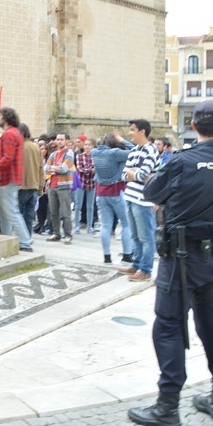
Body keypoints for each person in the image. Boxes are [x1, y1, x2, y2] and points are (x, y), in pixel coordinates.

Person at [127, 100, 213, 425]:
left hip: (182, 258)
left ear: (193, 125)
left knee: (169, 326)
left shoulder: (181, 161)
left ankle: (167, 406)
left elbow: (151, 192)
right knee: (210, 323)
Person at [119, 119, 159, 282]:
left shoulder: (151, 150)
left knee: (146, 236)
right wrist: (135, 173)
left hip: (143, 200)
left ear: (142, 131)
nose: (129, 133)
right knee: (135, 236)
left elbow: (142, 175)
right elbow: (123, 175)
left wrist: (133, 173)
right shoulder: (134, 150)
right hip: (129, 197)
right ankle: (136, 264)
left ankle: (146, 269)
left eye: (132, 130)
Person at [0, 108, 33, 252]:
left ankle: (25, 243)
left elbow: (7, 158)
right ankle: (7, 240)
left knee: (11, 212)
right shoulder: (15, 133)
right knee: (5, 214)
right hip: (11, 178)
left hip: (7, 179)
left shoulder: (9, 134)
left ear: (6, 118)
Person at [91, 131, 134, 264]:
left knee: (105, 226)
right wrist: (122, 140)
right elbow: (136, 150)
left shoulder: (94, 152)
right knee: (126, 225)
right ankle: (127, 255)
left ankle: (107, 257)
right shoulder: (114, 153)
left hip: (101, 192)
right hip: (116, 191)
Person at [45, 132, 75, 244]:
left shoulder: (69, 153)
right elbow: (45, 169)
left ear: (66, 141)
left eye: (62, 139)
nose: (59, 141)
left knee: (65, 212)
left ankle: (68, 234)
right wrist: (55, 168)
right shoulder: (53, 154)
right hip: (52, 186)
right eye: (58, 139)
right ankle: (56, 233)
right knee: (53, 212)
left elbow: (64, 169)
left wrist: (52, 168)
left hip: (64, 186)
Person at [18, 123, 44, 241]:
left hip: (22, 186)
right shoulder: (35, 147)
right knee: (29, 216)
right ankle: (27, 239)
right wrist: (40, 187)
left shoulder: (20, 147)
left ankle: (21, 239)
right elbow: (41, 169)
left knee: (18, 215)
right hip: (34, 186)